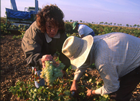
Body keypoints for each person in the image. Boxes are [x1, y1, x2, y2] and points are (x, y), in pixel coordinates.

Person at [62, 32, 140, 101]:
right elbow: (84, 62)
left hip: (137, 62)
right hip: (132, 50)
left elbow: (112, 87)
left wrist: (92, 92)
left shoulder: (103, 61)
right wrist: (74, 81)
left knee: (118, 96)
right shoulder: (93, 42)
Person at [21, 4, 70, 88]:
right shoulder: (34, 32)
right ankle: (40, 90)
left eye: (56, 26)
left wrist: (63, 67)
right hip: (35, 51)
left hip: (48, 49)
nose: (53, 30)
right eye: (49, 26)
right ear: (43, 24)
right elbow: (31, 55)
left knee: (56, 74)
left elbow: (66, 52)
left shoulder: (61, 32)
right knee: (39, 75)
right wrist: (41, 61)